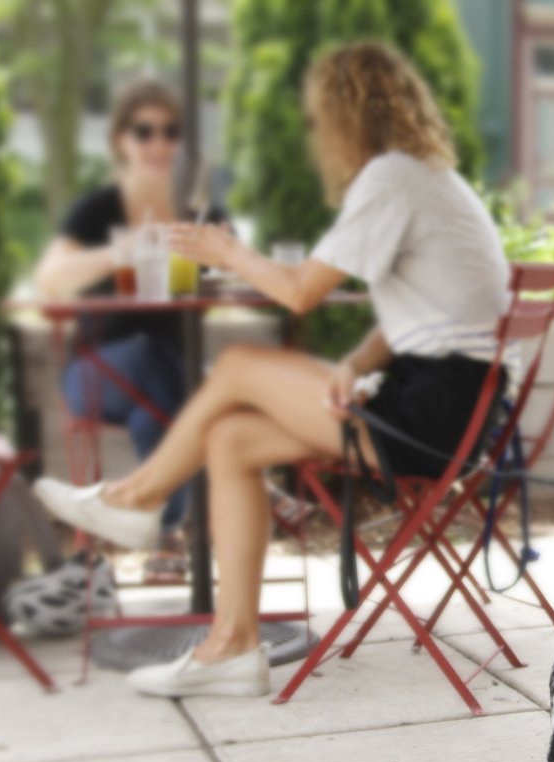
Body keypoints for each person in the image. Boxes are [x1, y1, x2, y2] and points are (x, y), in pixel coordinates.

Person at [33, 42, 511, 697]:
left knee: (233, 365)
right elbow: (434, 313)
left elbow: (298, 291)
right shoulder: (424, 176)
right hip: (448, 402)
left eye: (319, 118)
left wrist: (227, 251)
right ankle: (231, 645)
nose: (317, 134)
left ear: (347, 112)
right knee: (230, 438)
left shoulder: (392, 177)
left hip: (431, 411)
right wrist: (353, 361)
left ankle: (136, 500)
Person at [34, 79, 225, 582]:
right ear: (122, 139)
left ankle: (163, 533)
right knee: (154, 358)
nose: (159, 143)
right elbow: (50, 279)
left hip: (170, 378)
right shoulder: (98, 210)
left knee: (156, 413)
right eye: (145, 131)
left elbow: (240, 279)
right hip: (95, 374)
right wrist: (124, 248)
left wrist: (226, 254)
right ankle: (235, 499)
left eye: (170, 131)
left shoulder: (199, 216)